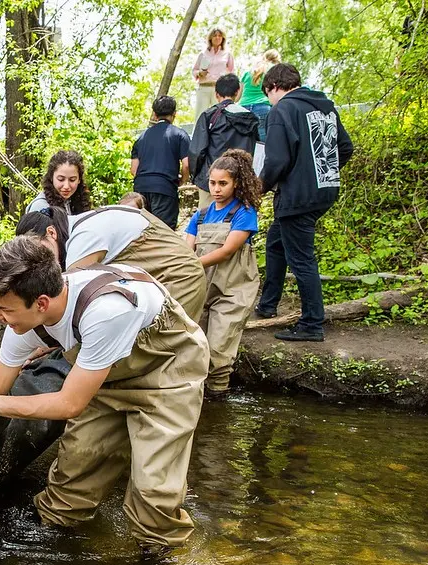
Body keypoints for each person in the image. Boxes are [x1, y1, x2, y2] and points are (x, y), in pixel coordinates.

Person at [0, 237, 209, 553]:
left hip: (167, 373)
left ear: (40, 303)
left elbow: (69, 403)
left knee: (153, 490)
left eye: (3, 309)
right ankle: (52, 537)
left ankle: (160, 564)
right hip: (105, 379)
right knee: (74, 471)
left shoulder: (105, 311)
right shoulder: (26, 323)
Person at [256, 63, 354, 342]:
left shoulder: (282, 110)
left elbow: (276, 160)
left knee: (301, 259)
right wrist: (322, 172)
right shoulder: (325, 107)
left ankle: (312, 323)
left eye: (267, 94)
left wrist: (259, 189)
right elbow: (345, 148)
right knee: (277, 241)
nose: (269, 100)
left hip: (297, 195)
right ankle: (268, 305)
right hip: (324, 190)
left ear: (274, 87)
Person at [18, 205, 206, 321]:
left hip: (178, 276)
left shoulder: (83, 237)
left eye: (39, 249)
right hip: (162, 274)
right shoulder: (80, 226)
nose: (39, 259)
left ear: (51, 233)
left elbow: (69, 301)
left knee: (162, 347)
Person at [184, 150, 261, 396]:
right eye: (212, 183)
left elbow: (227, 251)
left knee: (218, 350)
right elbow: (188, 249)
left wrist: (192, 265)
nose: (216, 189)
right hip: (203, 288)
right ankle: (198, 398)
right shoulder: (201, 214)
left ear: (236, 183)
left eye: (223, 183)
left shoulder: (244, 213)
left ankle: (218, 396)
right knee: (195, 347)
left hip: (234, 290)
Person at [189, 74, 260, 211]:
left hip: (212, 182)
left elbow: (196, 151)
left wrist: (196, 176)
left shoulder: (209, 115)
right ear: (238, 91)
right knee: (238, 225)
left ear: (216, 94)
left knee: (207, 225)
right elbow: (257, 152)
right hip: (240, 183)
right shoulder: (251, 118)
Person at [129, 95, 190, 229]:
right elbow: (186, 164)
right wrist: (182, 180)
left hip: (141, 188)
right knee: (164, 232)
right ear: (174, 114)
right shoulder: (180, 135)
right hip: (165, 188)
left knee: (142, 231)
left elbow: (134, 170)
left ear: (155, 115)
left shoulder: (141, 138)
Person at [26, 150, 92, 216]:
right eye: (61, 179)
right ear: (51, 177)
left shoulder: (75, 202)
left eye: (72, 180)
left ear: (79, 180)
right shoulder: (40, 206)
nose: (66, 186)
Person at [239, 49, 282, 141]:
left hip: (243, 107)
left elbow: (239, 95)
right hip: (262, 107)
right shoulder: (275, 71)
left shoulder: (249, 72)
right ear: (277, 60)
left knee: (243, 141)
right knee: (262, 140)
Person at [192, 28, 235, 115]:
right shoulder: (203, 53)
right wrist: (199, 73)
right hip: (204, 87)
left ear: (223, 38)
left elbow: (232, 72)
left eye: (220, 36)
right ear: (210, 38)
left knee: (219, 115)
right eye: (215, 35)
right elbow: (194, 70)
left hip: (219, 89)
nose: (217, 38)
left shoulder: (227, 54)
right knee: (200, 114)